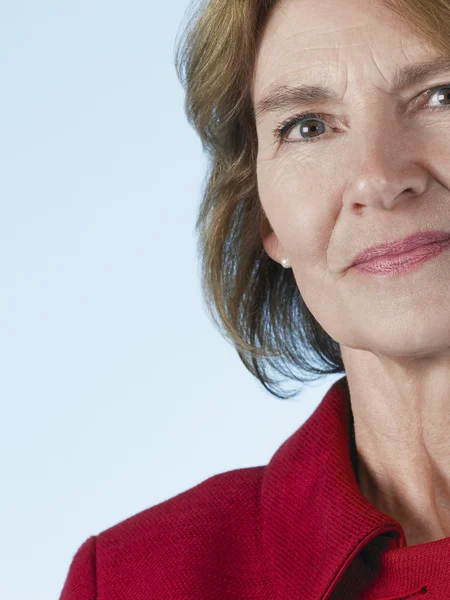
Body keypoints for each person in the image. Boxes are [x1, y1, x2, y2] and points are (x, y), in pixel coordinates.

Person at [59, 0, 450, 597]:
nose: (377, 177)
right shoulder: (136, 580)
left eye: (441, 95)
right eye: (308, 126)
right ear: (265, 218)